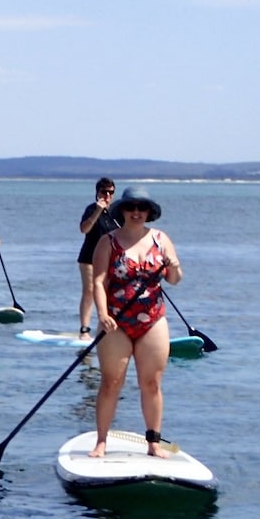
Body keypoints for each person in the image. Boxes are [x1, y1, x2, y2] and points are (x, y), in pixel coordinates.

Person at [88, 186, 183, 459]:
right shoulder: (108, 241)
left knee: (151, 382)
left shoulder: (161, 239)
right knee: (111, 382)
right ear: (123, 211)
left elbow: (174, 279)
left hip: (152, 320)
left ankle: (153, 442)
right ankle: (101, 442)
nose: (137, 212)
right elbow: (98, 282)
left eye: (142, 208)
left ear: (149, 212)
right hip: (115, 322)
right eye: (131, 208)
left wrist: (174, 266)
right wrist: (102, 315)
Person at [76, 177, 120, 338]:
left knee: (109, 293)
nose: (107, 196)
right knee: (90, 290)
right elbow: (84, 229)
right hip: (89, 258)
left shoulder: (117, 212)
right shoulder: (91, 209)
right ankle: (84, 329)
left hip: (110, 259)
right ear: (97, 193)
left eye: (111, 192)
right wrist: (97, 211)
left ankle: (107, 327)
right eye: (104, 192)